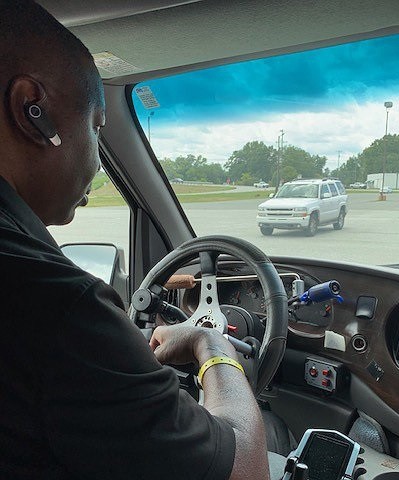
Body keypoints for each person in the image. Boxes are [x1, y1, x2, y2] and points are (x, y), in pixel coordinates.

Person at [0, 1, 273, 478]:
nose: (98, 161)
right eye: (97, 127)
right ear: (32, 111)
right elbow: (247, 468)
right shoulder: (58, 307)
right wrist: (213, 347)